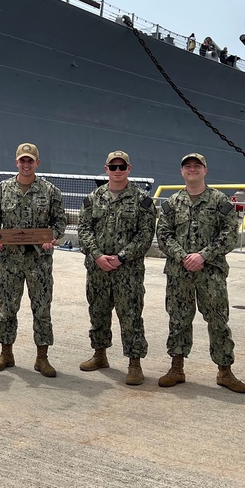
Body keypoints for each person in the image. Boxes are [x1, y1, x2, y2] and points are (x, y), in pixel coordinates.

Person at [155, 153, 245, 393]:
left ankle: (225, 371)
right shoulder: (172, 203)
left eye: (197, 166)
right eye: (188, 166)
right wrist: (184, 257)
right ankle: (176, 368)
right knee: (178, 320)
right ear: (182, 172)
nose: (192, 169)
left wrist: (202, 256)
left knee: (217, 320)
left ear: (205, 170)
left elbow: (229, 235)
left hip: (211, 273)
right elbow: (163, 235)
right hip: (179, 271)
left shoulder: (219, 202)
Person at [0, 143, 67, 377]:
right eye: (23, 160)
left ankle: (42, 358)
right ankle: (6, 353)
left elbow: (60, 221)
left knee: (42, 310)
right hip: (9, 261)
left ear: (37, 163)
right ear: (16, 162)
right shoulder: (2, 189)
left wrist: (53, 238)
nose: (26, 164)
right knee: (7, 309)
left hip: (39, 262)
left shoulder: (50, 191)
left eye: (30, 160)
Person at [76, 151, 158, 385]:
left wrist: (122, 257)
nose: (118, 171)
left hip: (128, 271)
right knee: (98, 313)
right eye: (113, 167)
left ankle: (134, 363)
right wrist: (97, 256)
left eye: (122, 167)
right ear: (106, 169)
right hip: (98, 269)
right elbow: (84, 230)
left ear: (129, 169)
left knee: (131, 316)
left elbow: (145, 235)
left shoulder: (142, 200)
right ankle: (100, 355)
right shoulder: (93, 198)